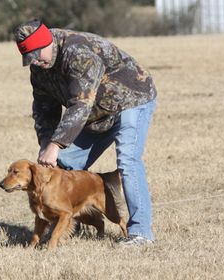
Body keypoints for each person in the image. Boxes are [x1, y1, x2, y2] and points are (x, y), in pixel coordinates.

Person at [13, 19, 157, 246]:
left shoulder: (78, 52)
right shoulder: (39, 66)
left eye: (37, 55)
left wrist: (56, 144)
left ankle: (140, 232)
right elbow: (43, 107)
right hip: (94, 116)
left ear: (47, 43)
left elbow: (80, 105)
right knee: (63, 164)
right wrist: (45, 144)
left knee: (128, 161)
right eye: (29, 58)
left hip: (131, 101)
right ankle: (68, 215)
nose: (36, 62)